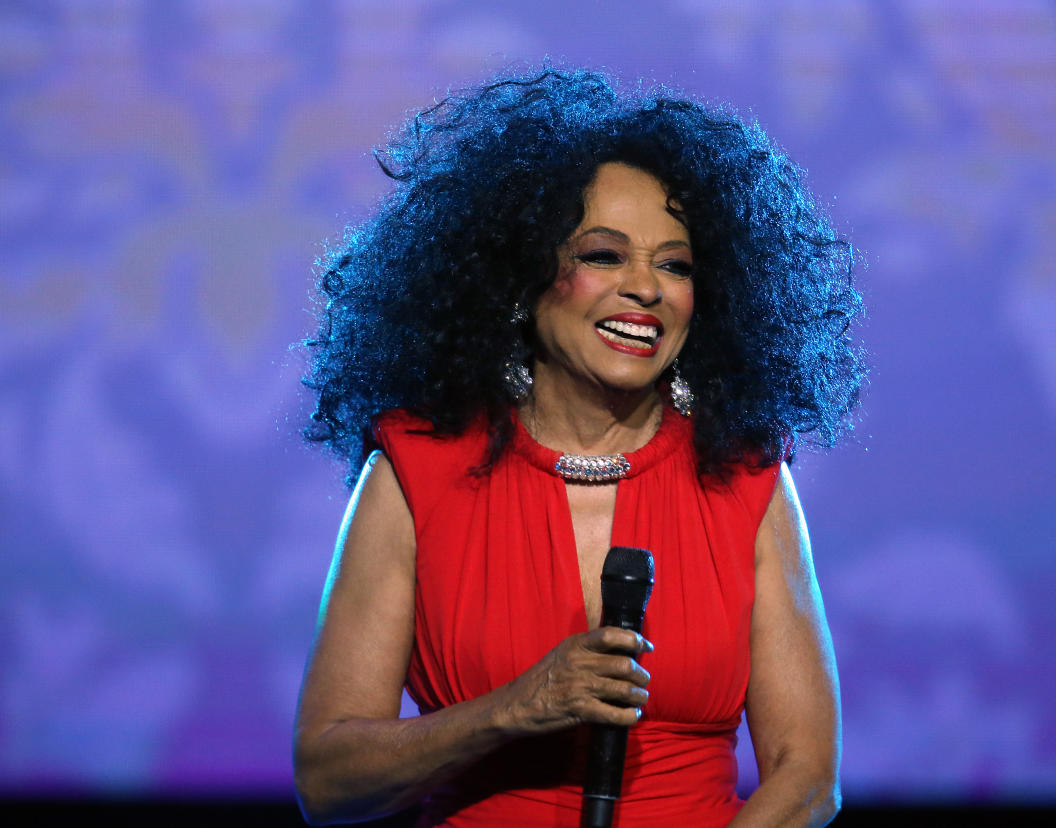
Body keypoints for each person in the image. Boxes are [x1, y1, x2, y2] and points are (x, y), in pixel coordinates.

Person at [293, 67, 864, 827]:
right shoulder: (413, 471)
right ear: (521, 276)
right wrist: (513, 709)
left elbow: (806, 781)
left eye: (675, 264)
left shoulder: (746, 478)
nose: (646, 288)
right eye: (603, 255)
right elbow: (329, 782)